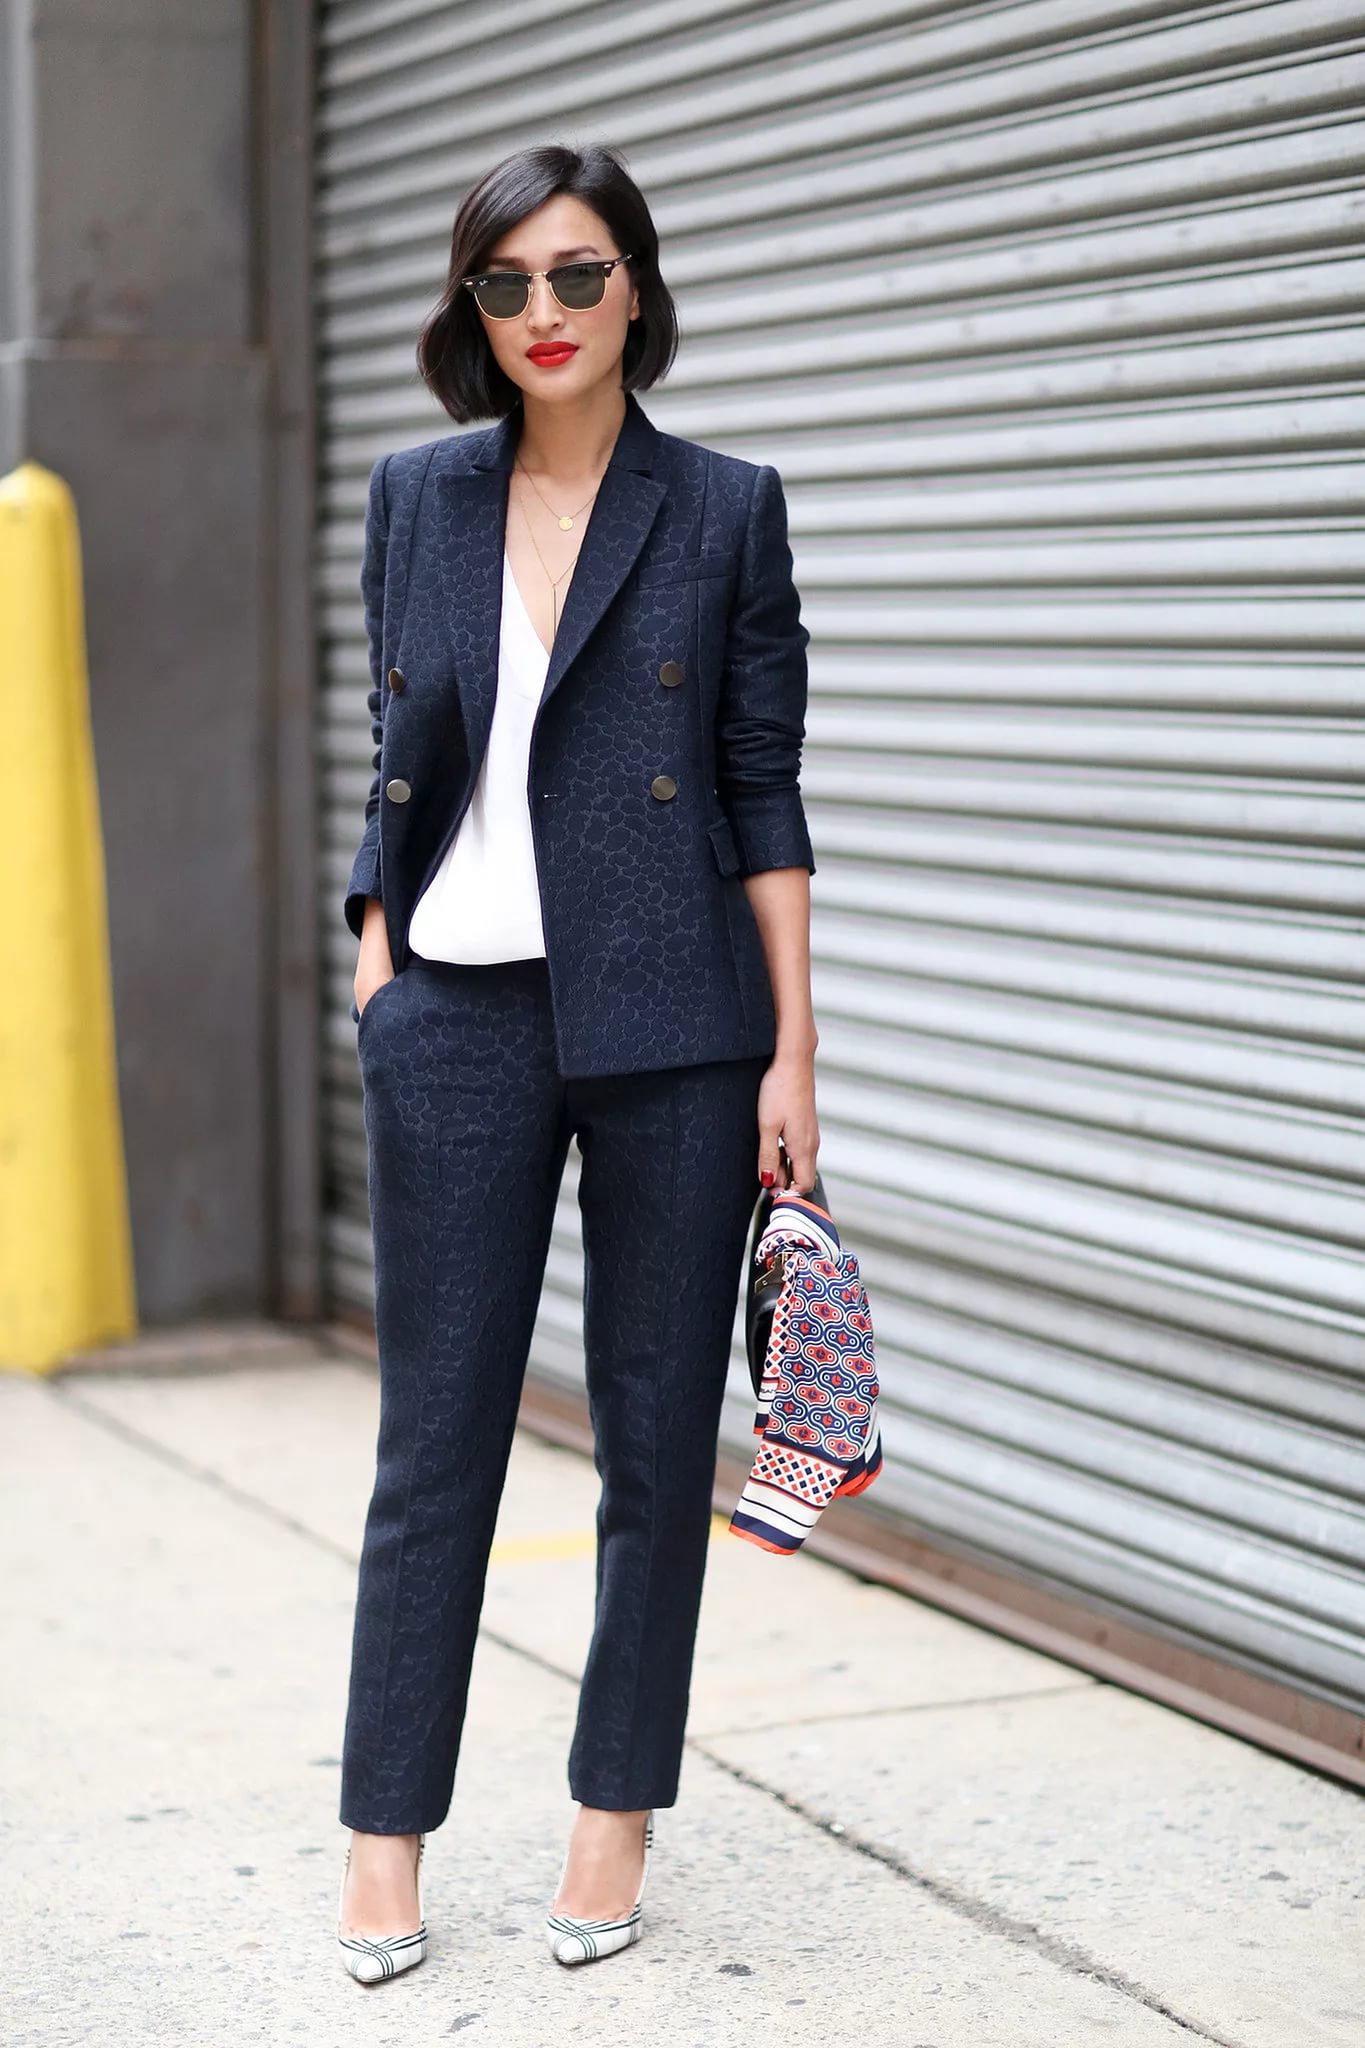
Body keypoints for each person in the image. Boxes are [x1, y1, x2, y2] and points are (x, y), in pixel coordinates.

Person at [334, 140, 819, 1982]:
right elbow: (400, 737)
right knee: (434, 1441)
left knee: (652, 1439)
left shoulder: (723, 508)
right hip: (456, 1010)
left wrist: (791, 1052)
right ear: (474, 308)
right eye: (506, 282)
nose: (543, 311)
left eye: (577, 273)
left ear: (636, 289)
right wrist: (376, 938)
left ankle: (613, 1817)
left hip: (679, 1025)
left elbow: (762, 790)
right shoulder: (418, 495)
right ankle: (384, 1838)